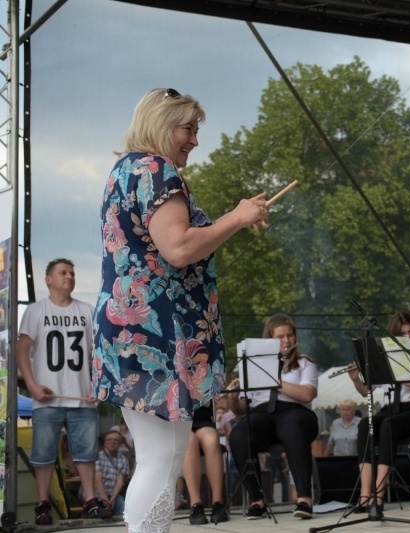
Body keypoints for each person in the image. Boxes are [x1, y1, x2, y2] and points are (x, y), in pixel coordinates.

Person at [92, 88, 269, 533]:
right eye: (188, 128)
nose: (194, 139)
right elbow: (179, 247)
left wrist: (234, 222)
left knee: (162, 453)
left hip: (133, 329)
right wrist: (236, 217)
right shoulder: (157, 170)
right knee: (163, 455)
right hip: (157, 334)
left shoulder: (126, 170)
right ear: (162, 124)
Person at [15, 257, 108, 525]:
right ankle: (42, 503)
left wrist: (98, 384)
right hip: (47, 397)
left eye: (71, 272)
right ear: (49, 279)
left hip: (81, 396)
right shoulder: (36, 310)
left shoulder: (87, 311)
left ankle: (90, 500)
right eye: (63, 272)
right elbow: (22, 349)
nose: (69, 276)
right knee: (43, 453)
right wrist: (31, 385)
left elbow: (98, 353)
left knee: (86, 452)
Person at [227, 314, 319, 520]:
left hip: (296, 413)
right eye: (280, 336)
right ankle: (257, 500)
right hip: (263, 414)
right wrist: (233, 398)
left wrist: (273, 380)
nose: (287, 340)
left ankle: (304, 498)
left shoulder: (304, 363)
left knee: (292, 427)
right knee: (239, 434)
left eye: (290, 335)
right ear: (269, 339)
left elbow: (307, 394)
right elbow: (241, 410)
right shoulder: (252, 365)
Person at [346, 311, 410, 512]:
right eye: (403, 334)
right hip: (389, 409)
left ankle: (379, 495)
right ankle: (364, 494)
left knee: (388, 425)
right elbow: (365, 392)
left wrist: (398, 365)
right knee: (364, 424)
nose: (409, 337)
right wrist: (355, 378)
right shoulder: (385, 357)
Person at [184, 402, 228, 524]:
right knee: (189, 441)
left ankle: (218, 503)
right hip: (176, 419)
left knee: (212, 440)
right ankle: (196, 504)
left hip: (200, 417)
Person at [95, 430, 132, 518]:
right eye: (109, 439)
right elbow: (97, 480)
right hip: (96, 493)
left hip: (113, 493)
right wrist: (104, 499)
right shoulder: (97, 456)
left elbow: (120, 480)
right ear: (104, 442)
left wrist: (113, 497)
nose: (113, 442)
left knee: (121, 504)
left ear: (120, 444)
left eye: (116, 440)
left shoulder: (123, 459)